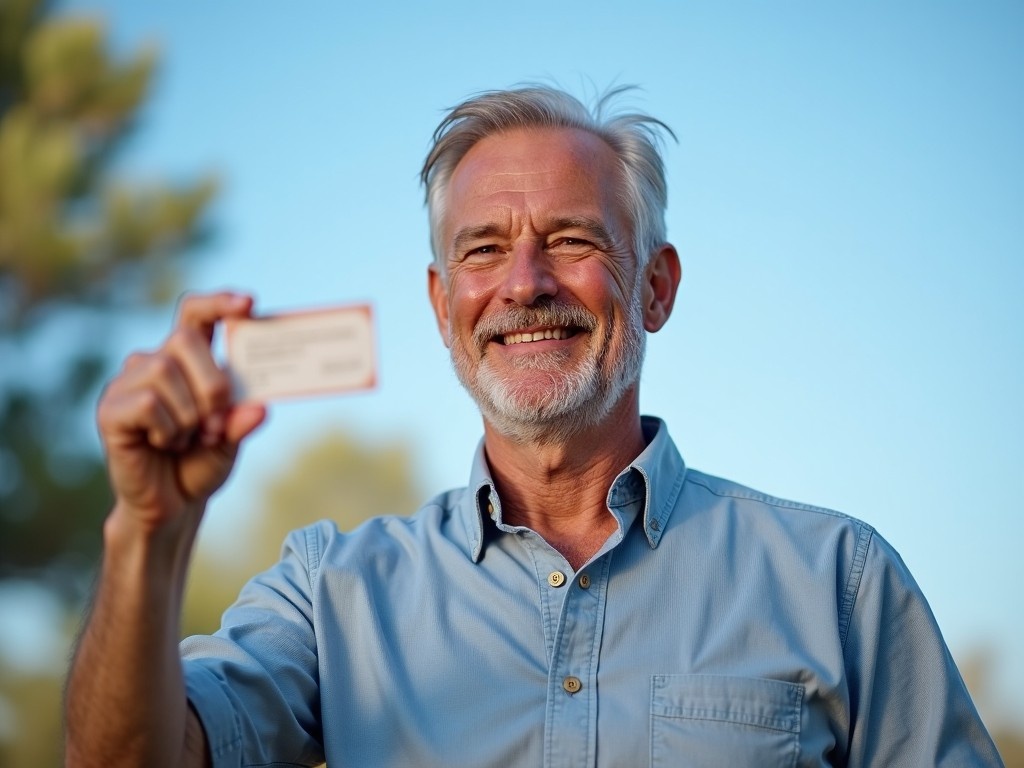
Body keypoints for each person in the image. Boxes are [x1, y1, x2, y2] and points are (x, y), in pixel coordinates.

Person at [64, 86, 1004, 768]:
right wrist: (147, 530)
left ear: (657, 287)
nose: (525, 283)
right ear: (443, 305)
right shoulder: (331, 595)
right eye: (484, 249)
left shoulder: (839, 582)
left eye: (572, 239)